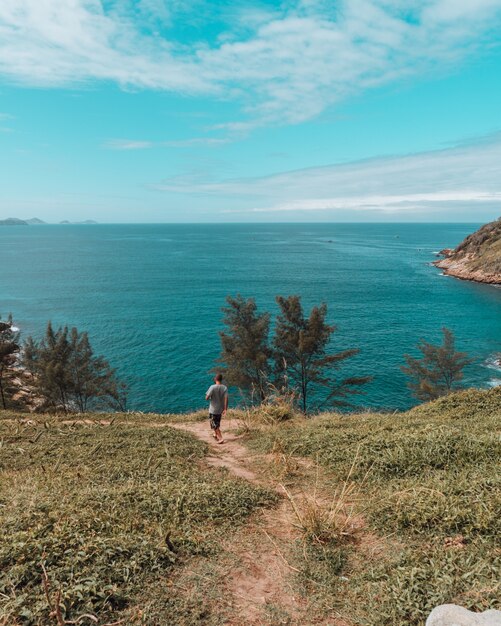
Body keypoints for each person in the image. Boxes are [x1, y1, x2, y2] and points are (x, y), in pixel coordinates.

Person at [205, 373, 228, 444]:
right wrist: (225, 409)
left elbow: (206, 398)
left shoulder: (212, 387)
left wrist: (209, 396)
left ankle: (220, 438)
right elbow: (226, 399)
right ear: (221, 379)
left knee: (214, 424)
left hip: (213, 409)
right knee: (217, 423)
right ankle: (216, 435)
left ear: (215, 379)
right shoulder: (224, 388)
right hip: (220, 409)